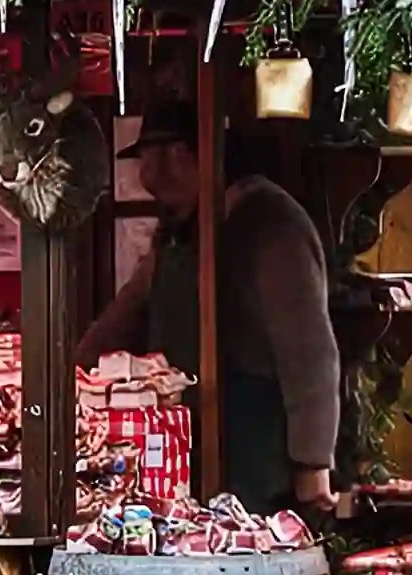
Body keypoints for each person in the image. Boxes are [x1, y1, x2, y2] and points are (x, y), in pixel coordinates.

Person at [78, 102, 338, 519]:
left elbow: (308, 350)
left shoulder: (268, 222)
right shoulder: (180, 230)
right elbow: (125, 313)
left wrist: (312, 460)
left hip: (253, 443)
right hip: (186, 439)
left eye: (145, 163)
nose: (144, 180)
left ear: (177, 157)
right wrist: (68, 380)